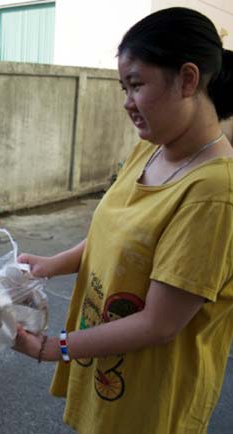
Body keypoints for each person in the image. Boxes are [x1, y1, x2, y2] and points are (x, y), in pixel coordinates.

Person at [12, 7, 233, 434]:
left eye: (136, 85)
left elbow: (159, 323)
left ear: (188, 79)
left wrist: (49, 348)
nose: (127, 103)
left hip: (151, 400)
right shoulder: (150, 148)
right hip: (106, 368)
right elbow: (115, 235)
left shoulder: (214, 193)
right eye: (123, 87)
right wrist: (52, 264)